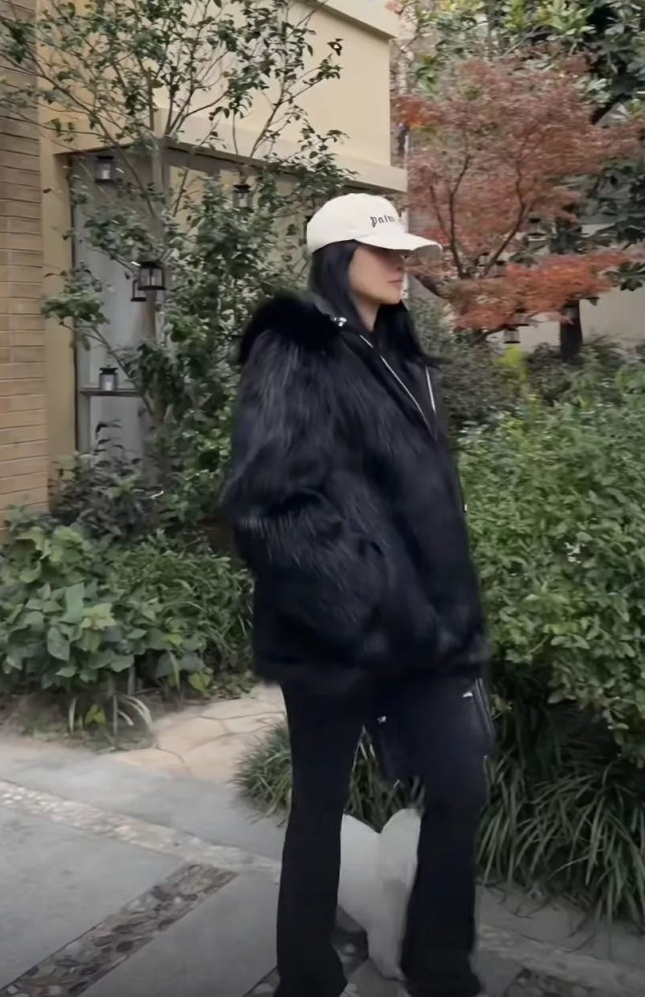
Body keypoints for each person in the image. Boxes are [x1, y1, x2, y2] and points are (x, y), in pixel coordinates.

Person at [222, 193, 494, 997]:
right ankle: (307, 977)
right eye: (386, 252)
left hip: (423, 634)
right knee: (319, 802)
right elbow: (266, 506)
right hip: (333, 632)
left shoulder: (401, 357)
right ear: (339, 259)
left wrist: (434, 611)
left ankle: (439, 963)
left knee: (460, 784)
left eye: (406, 252)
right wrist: (368, 599)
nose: (403, 264)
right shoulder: (295, 348)